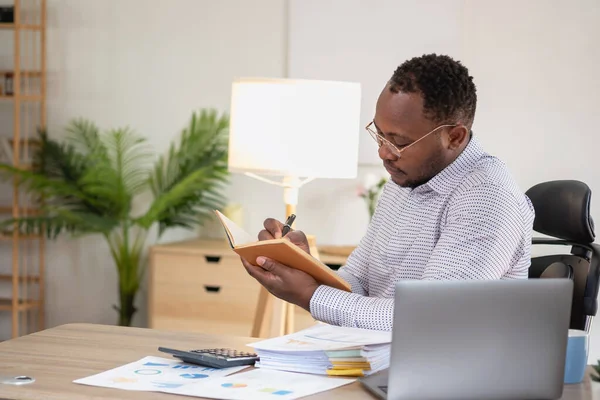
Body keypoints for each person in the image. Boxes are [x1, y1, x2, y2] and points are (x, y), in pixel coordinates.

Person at [240, 53, 535, 331]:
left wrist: (310, 295)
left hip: (451, 379)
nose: (383, 152)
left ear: (454, 137)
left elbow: (428, 320)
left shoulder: (487, 199)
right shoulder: (407, 178)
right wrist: (307, 269)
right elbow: (360, 283)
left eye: (398, 141)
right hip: (381, 363)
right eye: (379, 134)